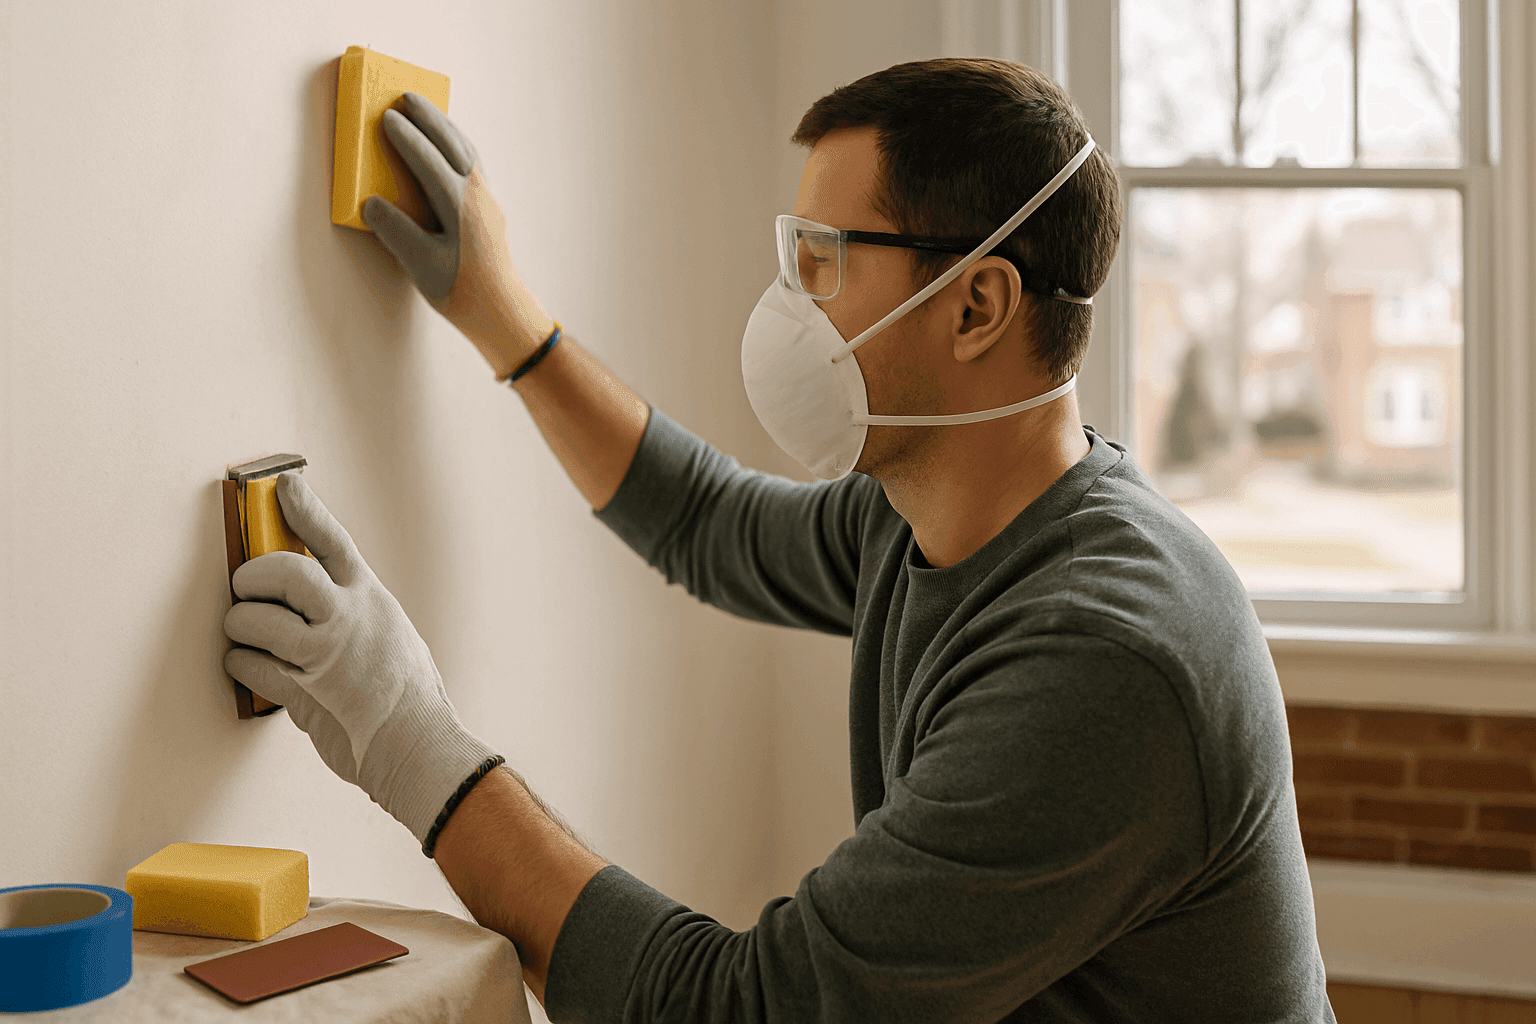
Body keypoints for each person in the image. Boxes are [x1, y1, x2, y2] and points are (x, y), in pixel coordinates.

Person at [223, 58, 1335, 1022]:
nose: (787, 300)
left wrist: (406, 735)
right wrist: (502, 315)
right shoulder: (928, 508)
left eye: (822, 259)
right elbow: (709, 524)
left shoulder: (1104, 661)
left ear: (977, 306)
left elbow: (746, 1011)